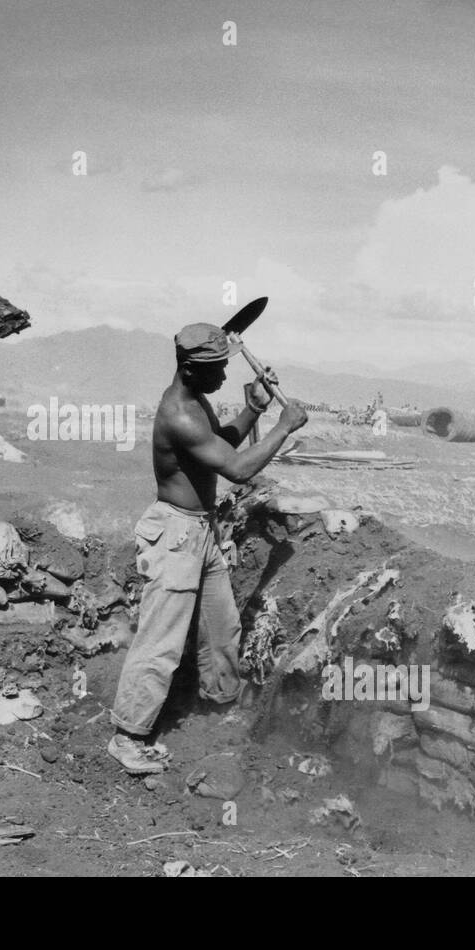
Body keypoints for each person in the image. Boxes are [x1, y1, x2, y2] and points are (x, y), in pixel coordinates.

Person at [108, 322, 307, 774]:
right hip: (176, 537)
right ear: (191, 369)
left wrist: (254, 411)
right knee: (161, 642)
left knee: (222, 627)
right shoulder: (178, 412)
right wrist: (283, 427)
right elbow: (237, 469)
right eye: (217, 370)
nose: (222, 379)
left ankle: (219, 709)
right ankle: (127, 736)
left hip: (202, 531)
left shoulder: (196, 402)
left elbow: (222, 447)